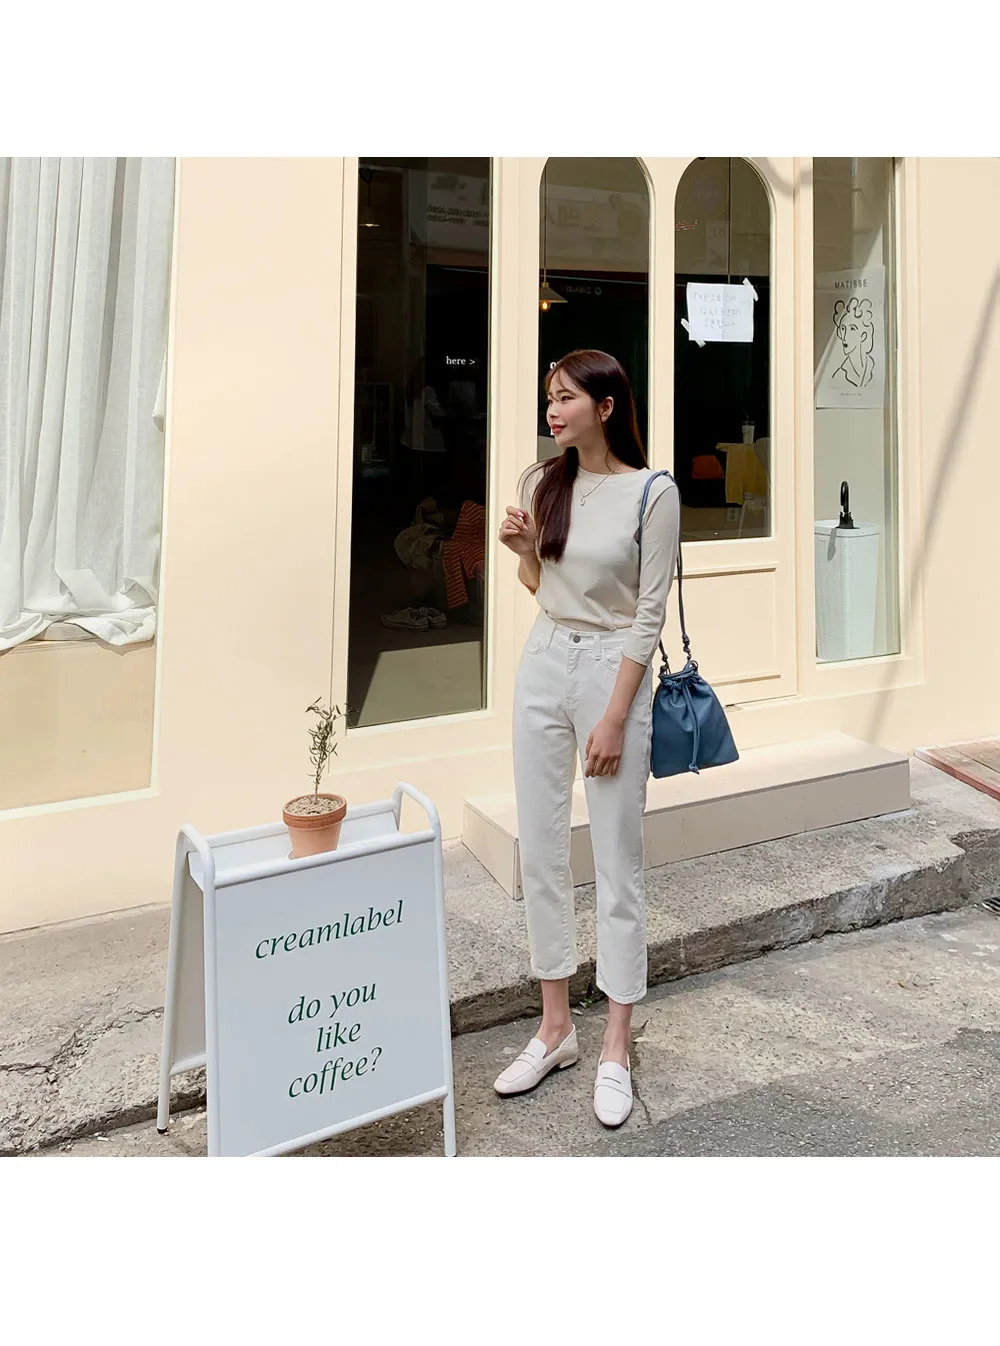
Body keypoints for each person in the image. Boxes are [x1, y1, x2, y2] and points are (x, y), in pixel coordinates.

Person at [494, 348, 680, 1127]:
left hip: (612, 671)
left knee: (615, 858)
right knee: (540, 850)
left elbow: (648, 611)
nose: (553, 409)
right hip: (544, 660)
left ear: (606, 406)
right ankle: (555, 1029)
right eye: (549, 396)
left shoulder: (652, 493)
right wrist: (525, 555)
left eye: (566, 396)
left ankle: (615, 1044)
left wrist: (614, 714)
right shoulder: (543, 483)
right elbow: (547, 588)